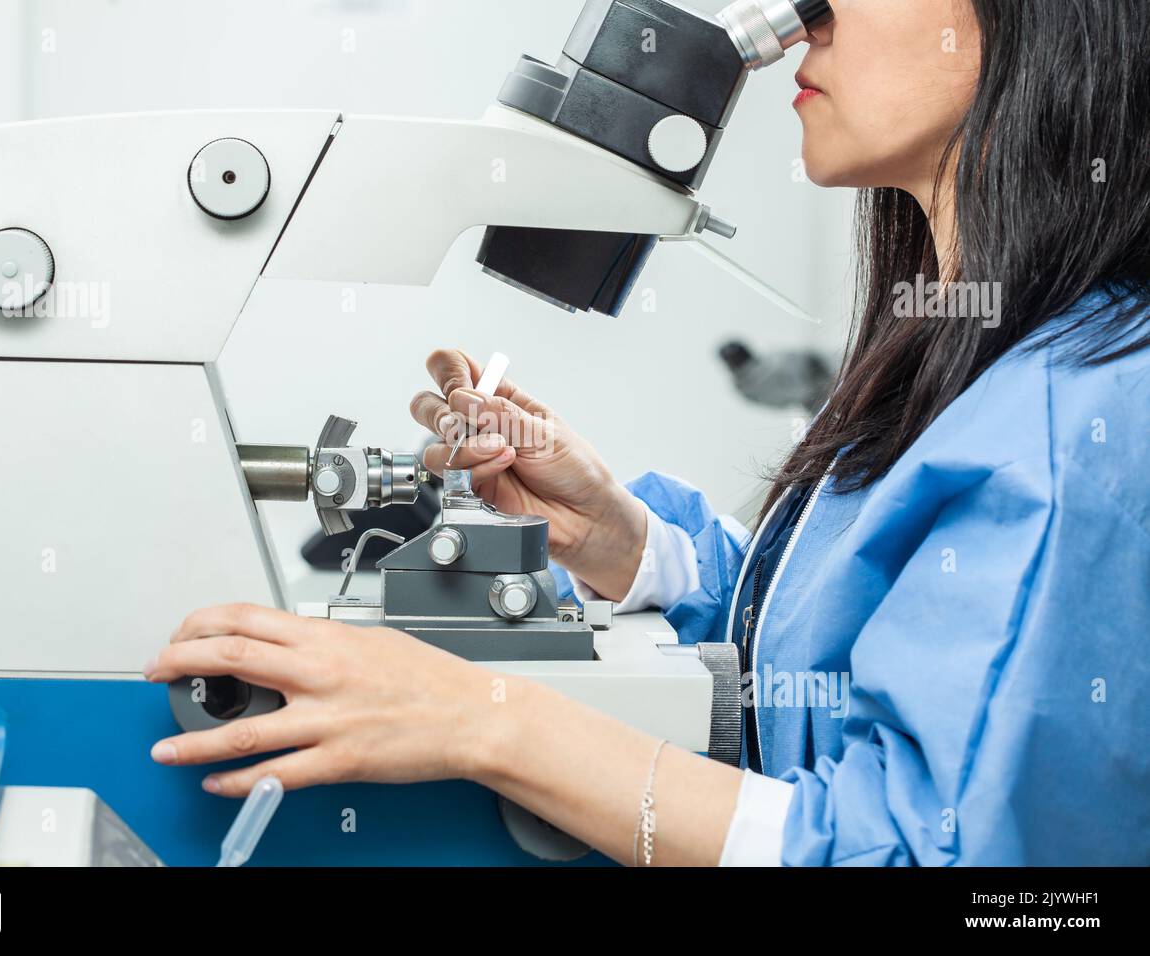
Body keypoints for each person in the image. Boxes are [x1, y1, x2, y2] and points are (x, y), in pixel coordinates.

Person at [144, 0, 1150, 865]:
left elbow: (936, 857)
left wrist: (477, 720)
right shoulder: (976, 347)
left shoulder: (1079, 419)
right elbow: (833, 678)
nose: (806, 18)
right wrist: (626, 543)